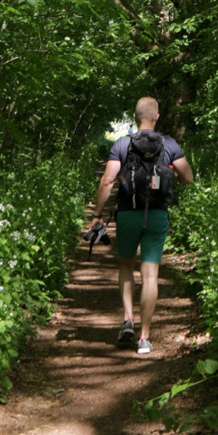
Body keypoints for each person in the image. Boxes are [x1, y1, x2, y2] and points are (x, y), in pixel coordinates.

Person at [88, 96, 193, 355]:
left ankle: (128, 321)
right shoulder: (169, 144)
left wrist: (97, 215)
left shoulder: (123, 144)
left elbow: (107, 181)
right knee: (150, 274)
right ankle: (145, 338)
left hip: (127, 214)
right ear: (157, 118)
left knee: (126, 265)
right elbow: (188, 178)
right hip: (157, 215)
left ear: (135, 118)